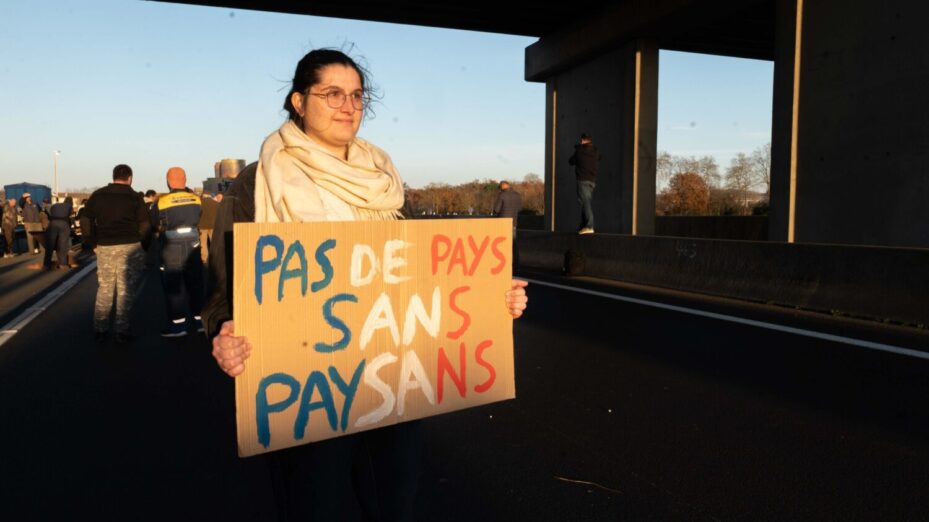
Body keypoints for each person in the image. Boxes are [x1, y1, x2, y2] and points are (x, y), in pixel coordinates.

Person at [203, 48, 528, 521]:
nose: (348, 106)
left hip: (390, 387)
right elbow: (224, 291)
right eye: (331, 93)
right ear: (298, 101)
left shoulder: (385, 180)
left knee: (393, 506)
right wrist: (223, 334)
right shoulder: (255, 186)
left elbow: (425, 278)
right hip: (308, 390)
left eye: (357, 95)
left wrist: (490, 300)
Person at [80, 164, 152, 343]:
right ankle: (121, 329)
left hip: (105, 246)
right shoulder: (135, 197)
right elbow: (145, 224)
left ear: (113, 177)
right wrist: (143, 245)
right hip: (130, 246)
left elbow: (85, 219)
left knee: (105, 288)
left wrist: (92, 242)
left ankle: (100, 329)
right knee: (125, 290)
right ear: (130, 178)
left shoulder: (98, 195)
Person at [156, 167, 204, 337]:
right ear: (185, 179)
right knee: (196, 285)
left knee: (174, 287)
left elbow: (156, 224)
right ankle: (200, 322)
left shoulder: (163, 201)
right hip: (193, 244)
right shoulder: (196, 199)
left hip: (172, 246)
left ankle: (178, 327)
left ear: (168, 181)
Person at [568, 132, 600, 234]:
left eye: (581, 140)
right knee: (584, 202)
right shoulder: (595, 151)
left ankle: (589, 225)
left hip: (582, 180)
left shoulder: (579, 151)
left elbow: (571, 161)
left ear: (583, 140)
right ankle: (583, 225)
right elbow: (600, 157)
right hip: (592, 181)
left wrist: (577, 148)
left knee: (585, 202)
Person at [493, 180, 522, 267]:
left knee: (502, 244)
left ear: (502, 187)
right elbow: (520, 208)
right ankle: (516, 263)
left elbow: (496, 210)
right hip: (514, 223)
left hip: (503, 223)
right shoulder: (517, 195)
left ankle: (504, 263)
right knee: (513, 243)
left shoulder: (502, 195)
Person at [43, 196, 74, 269]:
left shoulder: (55, 205)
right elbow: (71, 217)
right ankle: (63, 264)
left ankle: (46, 265)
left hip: (53, 224)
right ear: (71, 202)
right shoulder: (70, 206)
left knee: (50, 245)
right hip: (64, 224)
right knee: (63, 245)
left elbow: (50, 214)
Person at [198, 192, 220, 264]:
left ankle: (205, 259)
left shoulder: (199, 204)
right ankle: (215, 258)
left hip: (202, 226)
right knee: (214, 243)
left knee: (203, 244)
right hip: (213, 226)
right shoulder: (216, 204)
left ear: (203, 196)